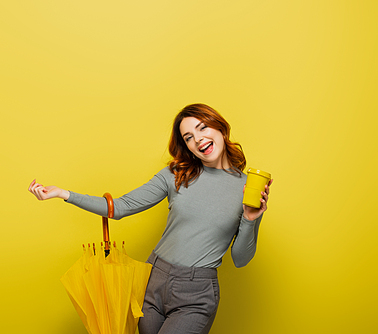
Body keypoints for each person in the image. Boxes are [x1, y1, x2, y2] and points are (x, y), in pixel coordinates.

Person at [28, 103, 272, 334]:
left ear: (220, 127)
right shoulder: (176, 175)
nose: (198, 139)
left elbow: (240, 259)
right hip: (152, 281)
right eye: (188, 137)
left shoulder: (247, 188)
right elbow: (120, 207)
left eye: (202, 128)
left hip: (195, 294)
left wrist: (251, 218)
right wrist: (63, 194)